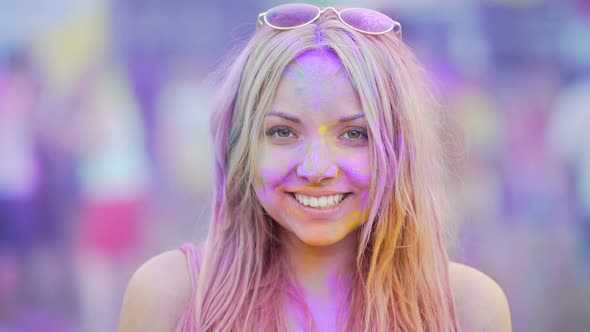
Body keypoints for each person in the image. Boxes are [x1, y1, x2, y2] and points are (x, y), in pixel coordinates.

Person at [118, 4, 511, 331]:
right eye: (283, 132)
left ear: (399, 148)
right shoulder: (167, 297)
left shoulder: (469, 309)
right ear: (243, 147)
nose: (316, 167)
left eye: (354, 134)